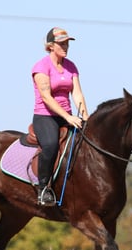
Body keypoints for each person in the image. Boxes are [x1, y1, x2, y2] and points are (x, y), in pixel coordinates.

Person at [31, 27, 89, 206]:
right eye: (61, 43)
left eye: (67, 43)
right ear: (50, 46)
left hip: (68, 116)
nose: (65, 46)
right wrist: (68, 117)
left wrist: (86, 118)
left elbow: (77, 94)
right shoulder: (41, 67)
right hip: (45, 116)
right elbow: (46, 98)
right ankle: (43, 189)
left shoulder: (71, 66)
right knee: (50, 145)